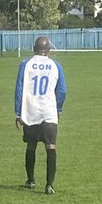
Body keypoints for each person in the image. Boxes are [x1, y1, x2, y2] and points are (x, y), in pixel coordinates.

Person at [14, 35, 66, 194]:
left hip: (31, 111)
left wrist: (18, 112)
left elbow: (19, 89)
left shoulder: (25, 65)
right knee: (51, 146)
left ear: (33, 49)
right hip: (49, 111)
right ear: (48, 50)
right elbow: (62, 90)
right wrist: (58, 109)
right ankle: (49, 185)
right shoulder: (56, 65)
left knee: (31, 145)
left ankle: (30, 180)